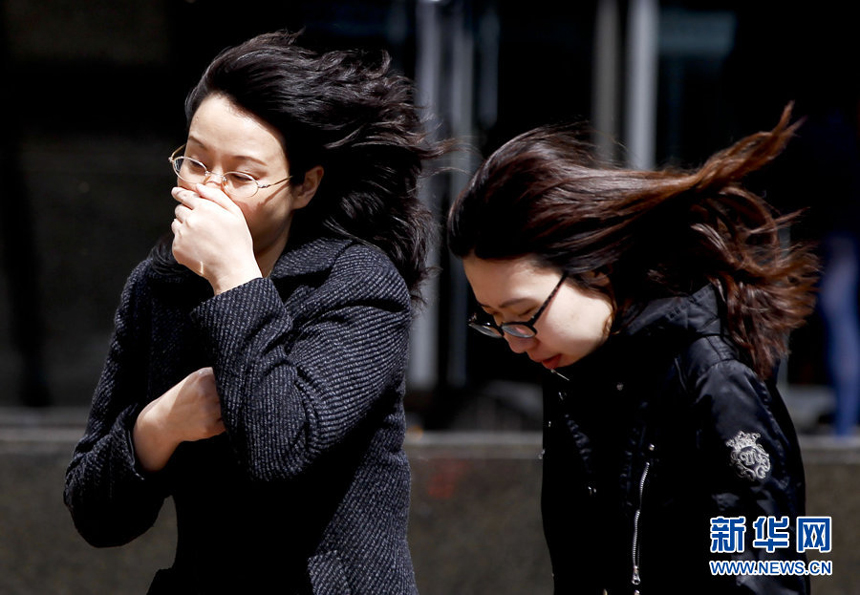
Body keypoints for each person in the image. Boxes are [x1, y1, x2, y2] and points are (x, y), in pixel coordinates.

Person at [64, 30, 442, 594]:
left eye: (241, 176)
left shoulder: (356, 282)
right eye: (194, 162)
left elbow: (281, 450)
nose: (208, 191)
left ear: (305, 185)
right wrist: (158, 426)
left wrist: (233, 276)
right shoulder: (158, 286)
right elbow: (96, 514)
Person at [447, 107, 818, 594]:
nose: (518, 342)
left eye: (525, 313)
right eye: (495, 321)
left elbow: (774, 572)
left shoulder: (712, 375)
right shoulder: (576, 371)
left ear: (596, 268)